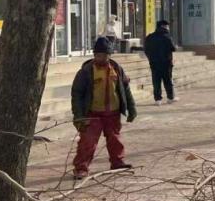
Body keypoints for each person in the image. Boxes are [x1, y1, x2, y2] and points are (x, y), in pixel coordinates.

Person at [70, 36, 137, 180]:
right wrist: (78, 115)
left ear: (109, 55)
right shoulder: (86, 72)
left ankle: (117, 162)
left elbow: (125, 89)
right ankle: (81, 168)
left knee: (115, 140)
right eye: (97, 55)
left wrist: (131, 108)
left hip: (113, 113)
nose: (100, 58)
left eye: (103, 55)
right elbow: (76, 94)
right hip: (92, 113)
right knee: (88, 142)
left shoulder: (117, 69)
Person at [143, 19, 177, 105]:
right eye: (167, 26)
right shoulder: (167, 36)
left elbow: (146, 50)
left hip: (154, 63)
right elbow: (173, 48)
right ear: (164, 26)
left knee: (156, 81)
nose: (168, 28)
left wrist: (150, 58)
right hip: (166, 63)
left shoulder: (150, 37)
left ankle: (157, 99)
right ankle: (170, 98)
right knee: (167, 80)